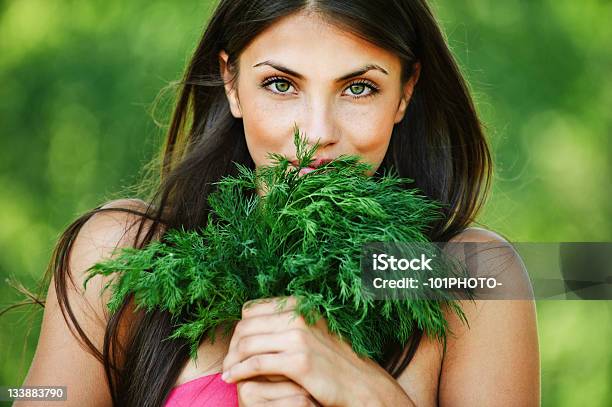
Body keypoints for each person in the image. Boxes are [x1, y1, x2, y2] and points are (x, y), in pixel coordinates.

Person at [17, 0, 540, 406]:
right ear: (232, 83)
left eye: (358, 88)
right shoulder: (122, 255)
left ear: (405, 92)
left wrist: (364, 392)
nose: (316, 134)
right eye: (281, 84)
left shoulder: (470, 275)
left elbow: (589, 274)